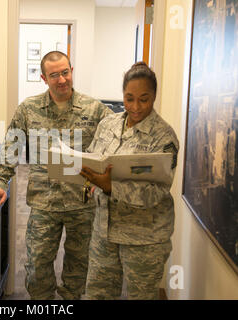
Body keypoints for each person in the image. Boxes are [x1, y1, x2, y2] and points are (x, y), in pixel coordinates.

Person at [0, 51, 113, 300]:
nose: (62, 80)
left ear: (72, 70)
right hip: (44, 202)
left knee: (80, 267)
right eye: (54, 75)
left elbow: (114, 142)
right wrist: (0, 181)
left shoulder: (95, 109)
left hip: (83, 202)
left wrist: (107, 178)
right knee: (36, 267)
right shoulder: (29, 109)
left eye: (65, 72)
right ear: (44, 78)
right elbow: (12, 147)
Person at [80, 62, 179, 300]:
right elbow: (93, 160)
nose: (135, 107)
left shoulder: (164, 138)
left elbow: (157, 191)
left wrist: (110, 186)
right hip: (104, 232)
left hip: (145, 239)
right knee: (97, 295)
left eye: (144, 99)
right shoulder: (108, 125)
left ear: (154, 96)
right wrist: (88, 179)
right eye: (129, 98)